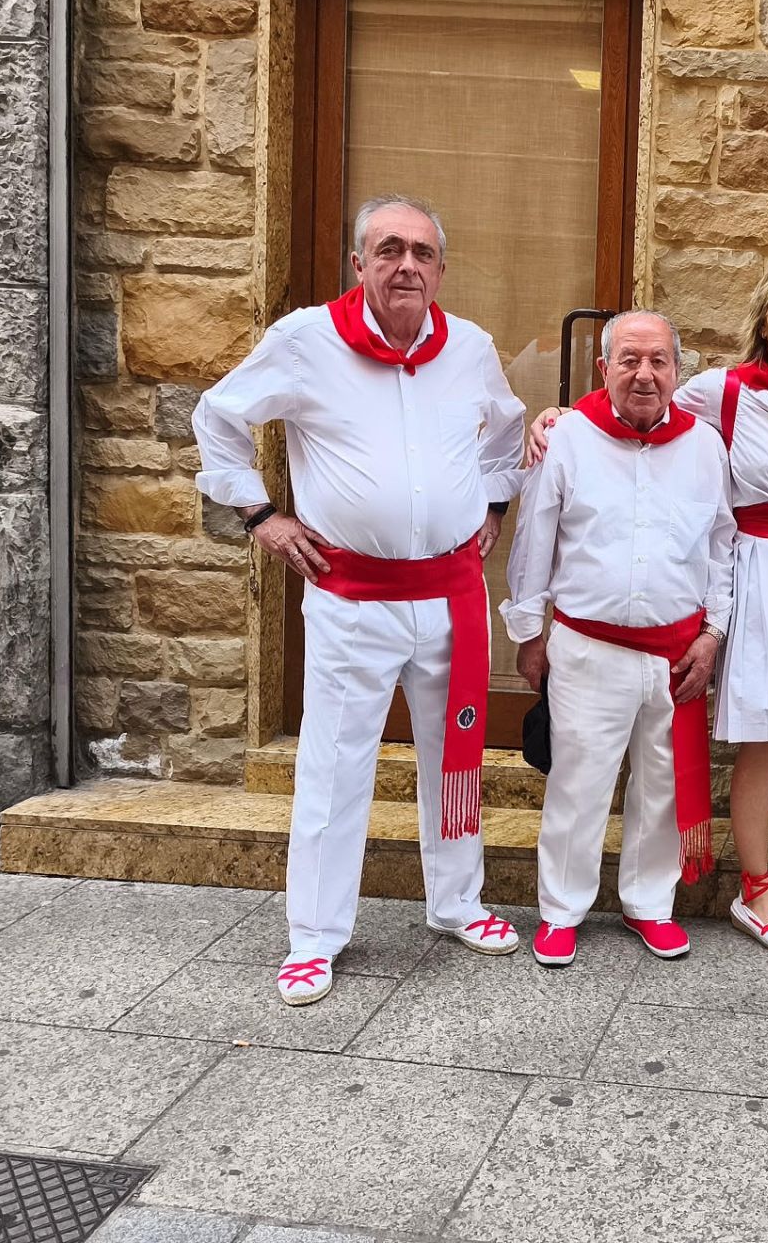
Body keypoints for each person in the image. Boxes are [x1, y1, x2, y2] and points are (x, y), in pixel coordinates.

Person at [193, 195, 526, 1007]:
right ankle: (314, 937)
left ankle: (455, 904)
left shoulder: (471, 348)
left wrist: (490, 505)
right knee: (336, 767)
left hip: (449, 596)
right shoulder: (306, 341)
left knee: (456, 760)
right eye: (388, 250)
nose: (405, 265)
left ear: (440, 269)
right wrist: (261, 516)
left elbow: (508, 431)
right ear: (360, 264)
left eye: (421, 252)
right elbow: (219, 417)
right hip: (353, 599)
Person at [528, 261, 768, 956]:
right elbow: (636, 399)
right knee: (766, 731)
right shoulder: (720, 393)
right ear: (763, 322)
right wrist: (554, 416)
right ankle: (754, 890)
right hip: (763, 574)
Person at [502, 310, 735, 968]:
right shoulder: (568, 440)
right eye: (629, 360)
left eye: (658, 360)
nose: (644, 374)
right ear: (603, 369)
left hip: (677, 656)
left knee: (661, 784)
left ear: (677, 371)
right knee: (579, 785)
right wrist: (528, 629)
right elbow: (536, 535)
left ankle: (648, 905)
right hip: (588, 648)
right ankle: (561, 911)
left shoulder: (705, 448)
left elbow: (723, 546)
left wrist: (715, 632)